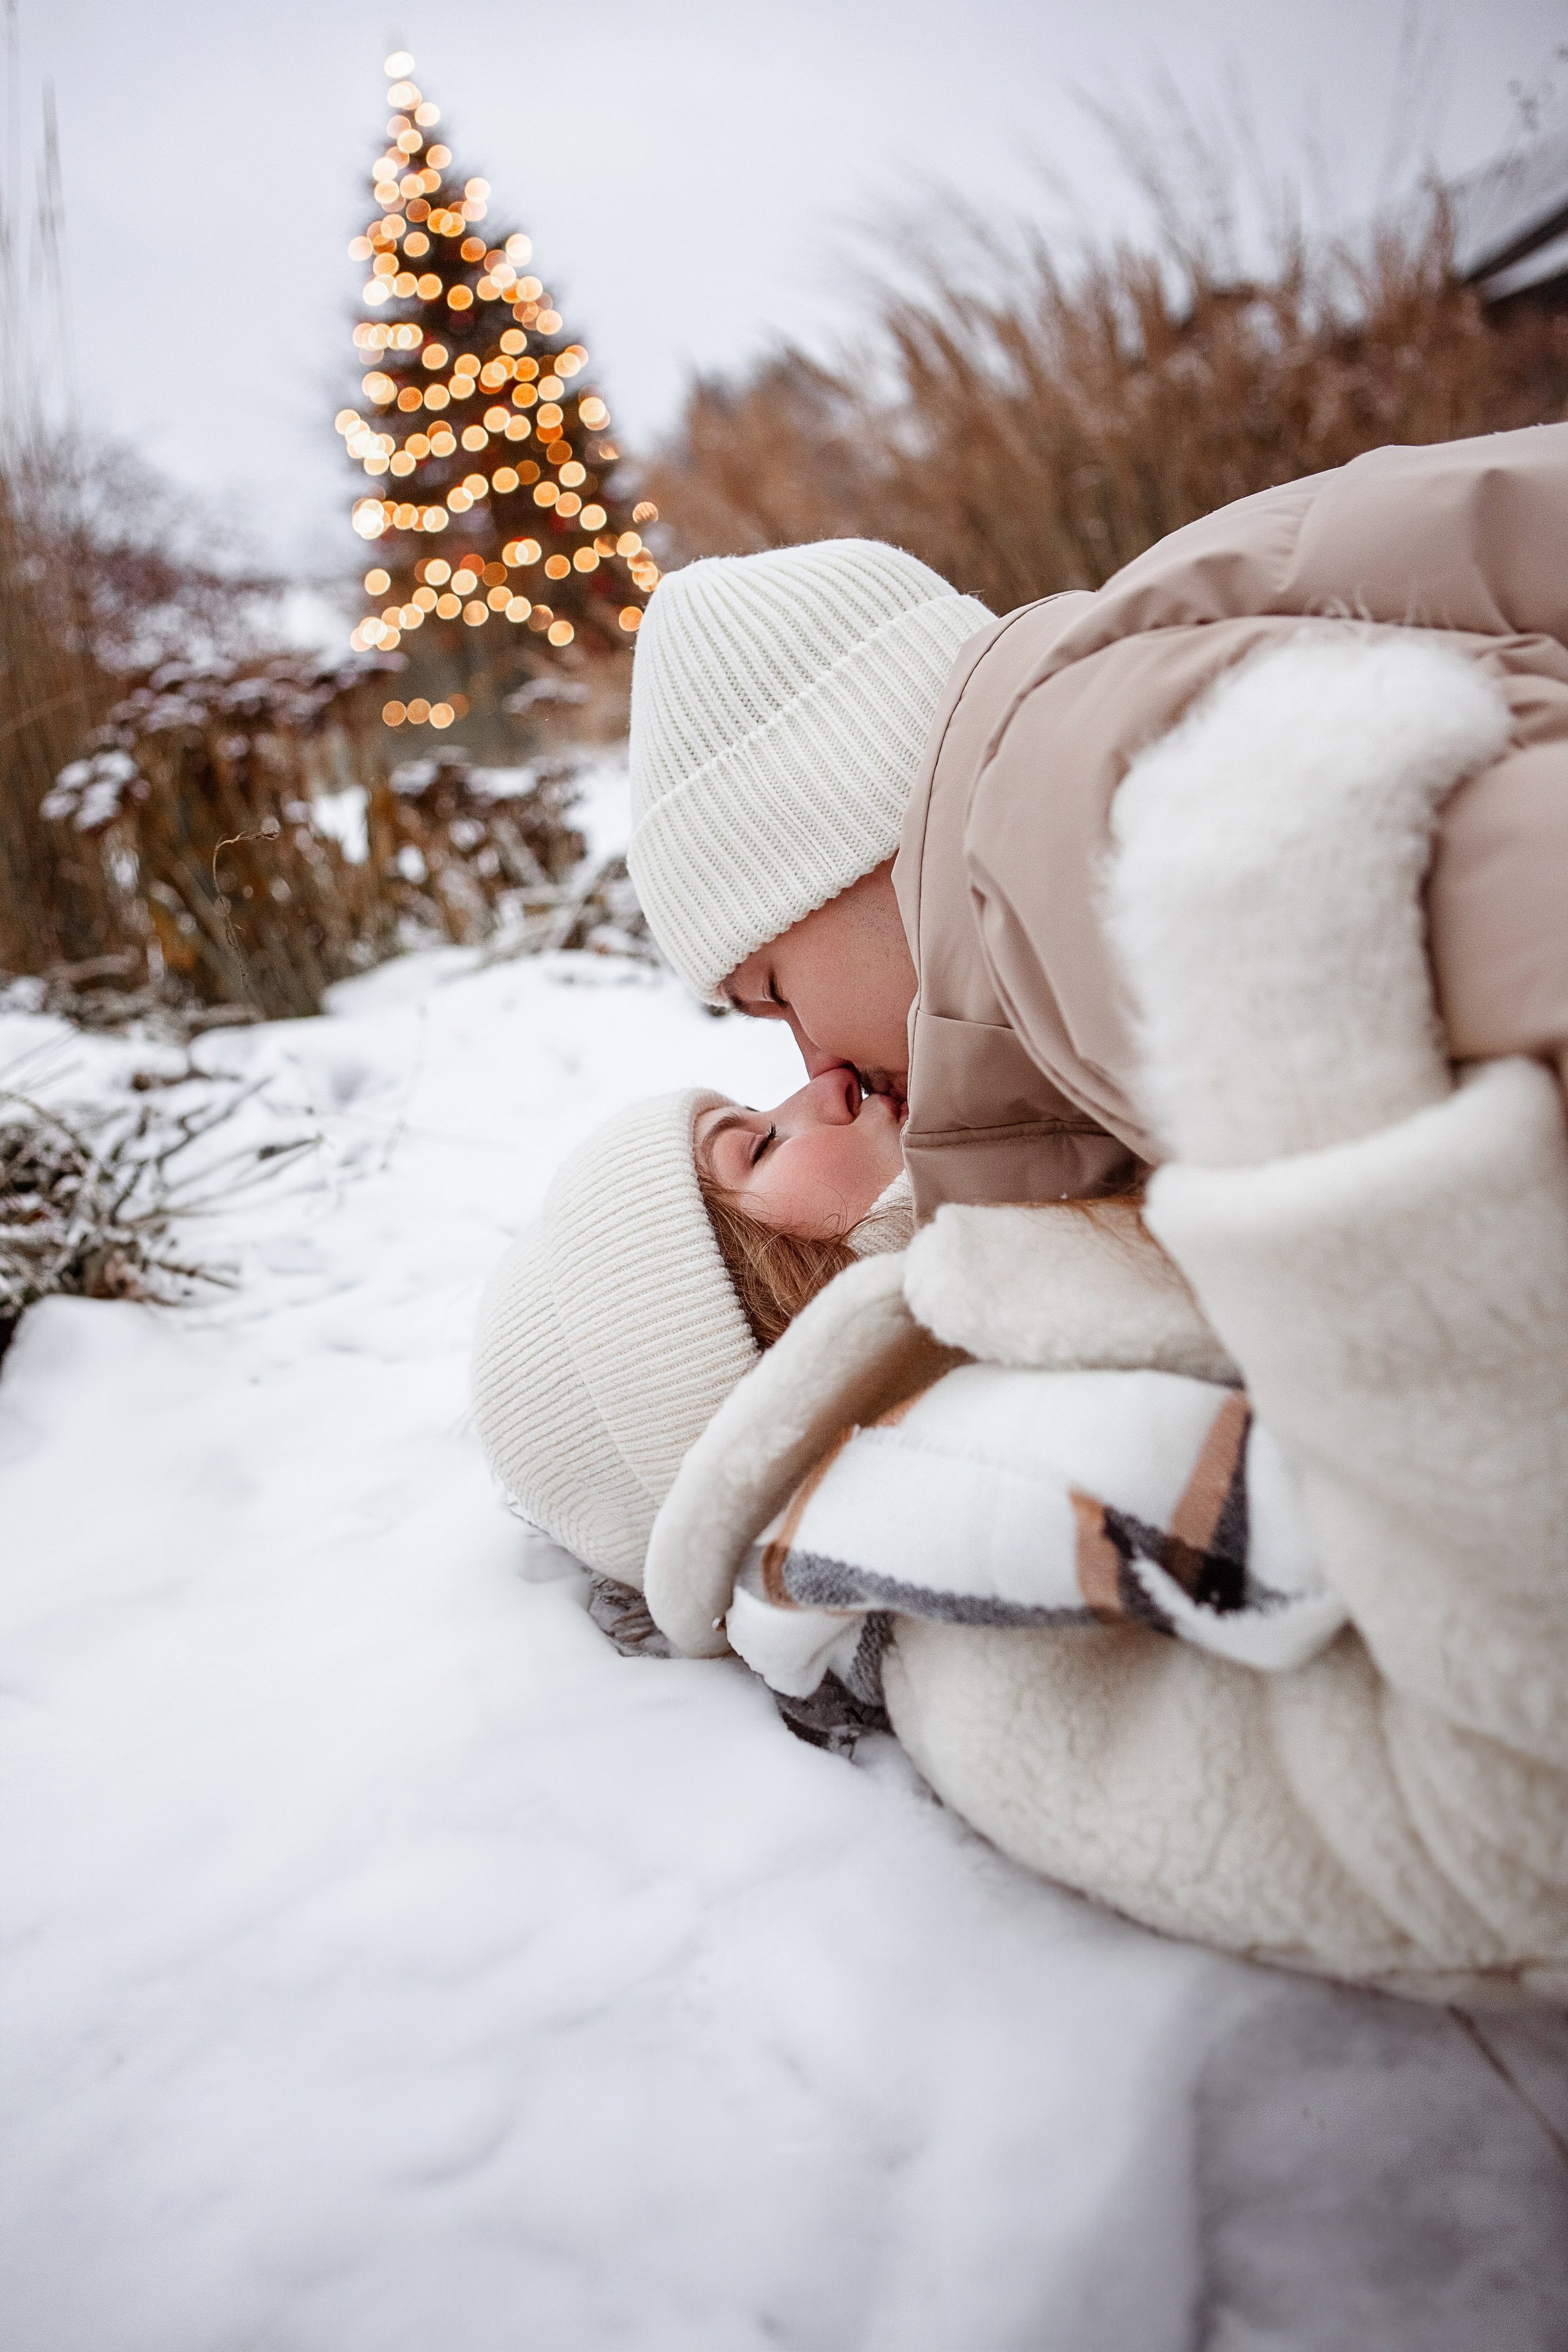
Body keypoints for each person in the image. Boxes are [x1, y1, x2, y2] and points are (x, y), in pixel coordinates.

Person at [473, 631, 1568, 2003]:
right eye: (753, 1147)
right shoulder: (969, 1628)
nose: (813, 1085)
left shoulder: (1020, 1285)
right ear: (746, 1316)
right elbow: (1501, 1832)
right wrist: (1298, 1038)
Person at [624, 423, 1568, 1213]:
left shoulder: (1064, 846)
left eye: (778, 993)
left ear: (838, 841)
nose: (822, 1065)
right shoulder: (1099, 723)